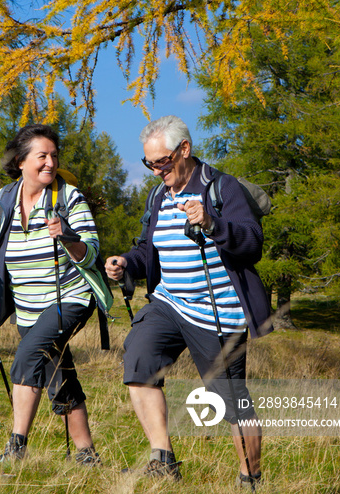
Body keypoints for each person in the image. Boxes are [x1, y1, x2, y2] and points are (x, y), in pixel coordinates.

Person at [104, 115, 272, 490]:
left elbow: (252, 243)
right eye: (149, 163)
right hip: (169, 303)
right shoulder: (159, 195)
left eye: (161, 162)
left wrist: (213, 225)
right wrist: (126, 263)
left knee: (229, 400)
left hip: (216, 311)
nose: (155, 170)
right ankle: (162, 460)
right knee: (139, 358)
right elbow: (148, 248)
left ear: (184, 150)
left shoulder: (221, 188)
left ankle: (250, 479)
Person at [0, 124, 101, 465]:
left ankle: (16, 446)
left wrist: (68, 237)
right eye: (42, 156)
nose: (50, 163)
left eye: (54, 156)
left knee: (27, 355)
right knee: (59, 376)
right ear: (21, 161)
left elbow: (92, 252)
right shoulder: (2, 199)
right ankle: (86, 455)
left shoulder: (69, 198)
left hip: (70, 299)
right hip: (27, 307)